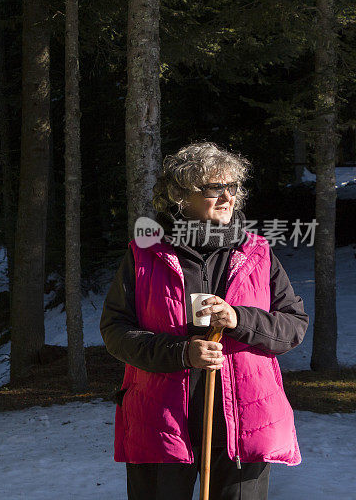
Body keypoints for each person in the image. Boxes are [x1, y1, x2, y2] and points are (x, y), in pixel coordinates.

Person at [100, 141, 308, 500]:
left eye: (234, 187)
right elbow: (115, 331)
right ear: (182, 195)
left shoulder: (257, 252)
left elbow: (293, 326)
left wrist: (239, 318)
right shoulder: (145, 254)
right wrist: (181, 353)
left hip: (245, 423)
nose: (229, 197)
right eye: (216, 188)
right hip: (161, 421)